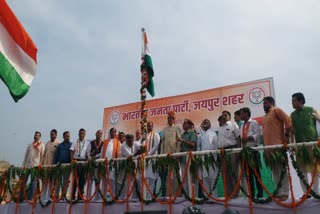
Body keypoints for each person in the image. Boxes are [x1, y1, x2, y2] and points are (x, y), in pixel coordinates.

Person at [291, 92, 320, 197]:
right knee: (301, 170)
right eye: (292, 101)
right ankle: (306, 193)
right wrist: (292, 144)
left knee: (314, 170)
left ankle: (316, 192)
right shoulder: (292, 115)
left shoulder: (312, 110)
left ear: (301, 101)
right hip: (299, 147)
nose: (292, 103)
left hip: (312, 146)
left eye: (294, 101)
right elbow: (292, 131)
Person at [262, 96, 291, 201]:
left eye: (265, 103)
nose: (263, 105)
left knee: (281, 169)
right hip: (269, 148)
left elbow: (288, 121)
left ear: (271, 103)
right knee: (275, 171)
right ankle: (278, 192)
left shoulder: (276, 110)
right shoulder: (265, 117)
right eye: (263, 103)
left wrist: (286, 137)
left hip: (278, 146)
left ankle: (284, 193)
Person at [239, 107, 263, 199]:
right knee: (249, 174)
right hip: (245, 151)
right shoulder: (242, 125)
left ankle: (260, 194)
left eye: (241, 113)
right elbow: (241, 139)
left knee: (256, 173)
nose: (240, 115)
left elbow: (257, 135)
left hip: (253, 150)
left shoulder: (254, 123)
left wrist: (248, 138)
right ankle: (252, 194)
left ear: (246, 113)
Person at [217, 114, 241, 198]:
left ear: (229, 116)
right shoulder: (220, 127)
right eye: (222, 115)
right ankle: (229, 194)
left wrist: (238, 151)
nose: (223, 116)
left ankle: (236, 195)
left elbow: (238, 138)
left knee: (234, 174)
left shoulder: (233, 125)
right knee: (225, 174)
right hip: (222, 153)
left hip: (232, 151)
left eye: (225, 115)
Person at [161, 111, 182, 197]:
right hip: (166, 156)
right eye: (168, 118)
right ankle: (168, 195)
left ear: (174, 120)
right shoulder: (164, 129)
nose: (169, 120)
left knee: (176, 176)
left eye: (171, 119)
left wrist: (176, 154)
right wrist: (162, 155)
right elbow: (162, 142)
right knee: (167, 177)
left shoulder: (177, 128)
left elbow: (179, 141)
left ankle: (176, 194)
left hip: (174, 156)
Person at [197, 119, 218, 198]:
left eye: (207, 122)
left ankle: (214, 197)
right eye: (204, 122)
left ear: (210, 125)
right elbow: (198, 147)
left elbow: (216, 147)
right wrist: (199, 158)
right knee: (205, 177)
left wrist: (215, 158)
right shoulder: (200, 135)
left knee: (212, 177)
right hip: (202, 158)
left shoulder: (213, 134)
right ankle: (206, 197)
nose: (206, 123)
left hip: (212, 157)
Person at [22, 131, 45, 200]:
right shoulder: (30, 145)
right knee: (23, 182)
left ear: (39, 137)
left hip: (35, 166)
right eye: (35, 135)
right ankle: (20, 198)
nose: (35, 136)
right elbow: (26, 155)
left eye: (37, 135)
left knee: (33, 183)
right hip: (27, 166)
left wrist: (40, 165)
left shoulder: (41, 145)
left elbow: (42, 156)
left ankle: (30, 198)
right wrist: (23, 164)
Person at [100, 127, 121, 199]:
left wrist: (116, 164)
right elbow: (101, 153)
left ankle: (113, 196)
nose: (114, 133)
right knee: (104, 180)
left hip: (112, 164)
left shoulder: (118, 142)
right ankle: (103, 196)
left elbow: (118, 154)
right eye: (112, 132)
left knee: (112, 181)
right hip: (104, 164)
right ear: (110, 132)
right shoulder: (105, 142)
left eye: (115, 132)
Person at [119, 134, 141, 200]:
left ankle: (136, 199)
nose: (131, 141)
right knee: (128, 184)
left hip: (134, 167)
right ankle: (127, 200)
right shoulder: (123, 146)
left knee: (136, 182)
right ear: (126, 139)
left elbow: (142, 147)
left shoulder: (135, 143)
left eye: (132, 139)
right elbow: (129, 155)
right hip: (125, 168)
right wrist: (137, 153)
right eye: (129, 140)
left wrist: (142, 149)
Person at [70, 128, 90, 200]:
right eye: (80, 133)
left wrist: (89, 159)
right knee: (75, 180)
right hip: (76, 162)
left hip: (83, 163)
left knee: (82, 181)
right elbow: (72, 151)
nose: (82, 135)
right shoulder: (75, 142)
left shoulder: (87, 143)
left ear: (85, 134)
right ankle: (72, 197)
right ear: (78, 134)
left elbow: (88, 153)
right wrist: (72, 160)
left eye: (83, 133)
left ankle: (80, 197)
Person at [179, 119, 197, 197]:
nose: (183, 125)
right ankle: (186, 196)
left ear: (190, 125)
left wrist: (183, 141)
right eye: (183, 123)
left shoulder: (192, 133)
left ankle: (193, 197)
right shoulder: (183, 134)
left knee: (191, 178)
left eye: (185, 123)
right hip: (183, 159)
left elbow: (193, 144)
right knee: (184, 178)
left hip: (190, 159)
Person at [41, 129, 60, 202]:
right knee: (44, 182)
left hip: (53, 167)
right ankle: (43, 198)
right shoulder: (47, 143)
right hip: (45, 166)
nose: (51, 135)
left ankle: (49, 198)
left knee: (51, 183)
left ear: (56, 135)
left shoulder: (58, 143)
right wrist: (41, 165)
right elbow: (44, 155)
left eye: (53, 134)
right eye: (50, 134)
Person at [143, 121, 160, 200]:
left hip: (152, 159)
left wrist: (149, 154)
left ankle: (150, 197)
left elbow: (156, 146)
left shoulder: (156, 135)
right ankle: (145, 196)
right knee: (146, 178)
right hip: (145, 159)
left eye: (150, 126)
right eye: (148, 126)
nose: (149, 128)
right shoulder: (145, 135)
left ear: (153, 126)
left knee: (152, 178)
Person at [53, 131, 72, 200]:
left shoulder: (71, 145)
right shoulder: (60, 146)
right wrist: (54, 165)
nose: (68, 137)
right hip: (59, 165)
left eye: (69, 136)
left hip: (67, 165)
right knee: (58, 181)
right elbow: (56, 156)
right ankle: (56, 195)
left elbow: (72, 156)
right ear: (63, 137)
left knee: (65, 182)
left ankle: (63, 196)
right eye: (66, 136)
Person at [86, 130, 104, 200]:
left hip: (98, 163)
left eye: (100, 133)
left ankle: (96, 197)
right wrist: (90, 158)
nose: (99, 134)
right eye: (98, 133)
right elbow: (88, 152)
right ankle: (88, 197)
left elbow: (102, 153)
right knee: (90, 180)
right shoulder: (91, 143)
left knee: (97, 180)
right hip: (91, 163)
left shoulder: (103, 143)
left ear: (101, 135)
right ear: (95, 134)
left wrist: (95, 157)